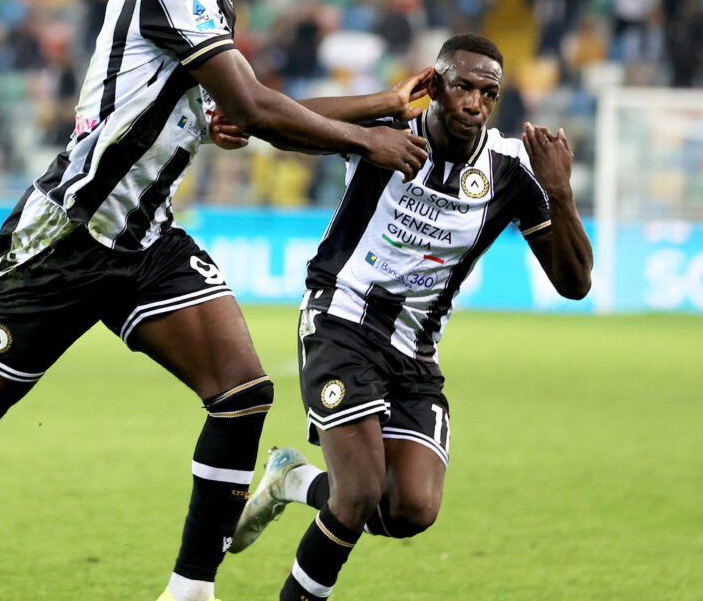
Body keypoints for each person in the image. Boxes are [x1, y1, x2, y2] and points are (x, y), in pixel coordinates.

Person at [0, 0, 429, 601]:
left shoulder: (209, 1)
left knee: (242, 392)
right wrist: (368, 140)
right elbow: (258, 110)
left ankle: (189, 592)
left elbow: (243, 110)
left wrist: (382, 103)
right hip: (67, 240)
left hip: (145, 242)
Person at [231, 33, 594, 601]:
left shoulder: (512, 172)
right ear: (437, 85)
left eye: (488, 93)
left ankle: (292, 478)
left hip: (414, 349)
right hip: (341, 318)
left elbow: (575, 285)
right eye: (463, 87)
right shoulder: (387, 134)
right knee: (356, 495)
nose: (474, 103)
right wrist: (380, 107)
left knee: (411, 508)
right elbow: (279, 119)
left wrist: (561, 194)